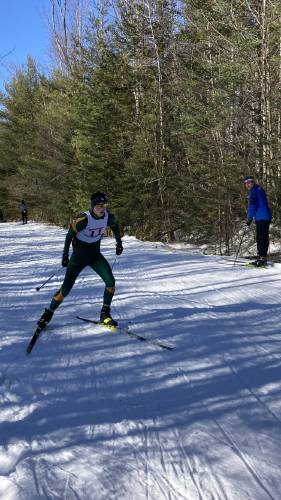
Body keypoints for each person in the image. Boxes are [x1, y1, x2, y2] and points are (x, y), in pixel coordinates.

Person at [37, 192, 123, 330]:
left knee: (111, 282)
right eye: (99, 206)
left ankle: (105, 314)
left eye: (104, 205)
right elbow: (69, 235)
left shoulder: (108, 217)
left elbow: (115, 227)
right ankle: (48, 313)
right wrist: (65, 255)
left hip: (95, 255)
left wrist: (119, 243)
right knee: (66, 289)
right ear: (93, 206)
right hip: (79, 257)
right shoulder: (83, 219)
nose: (102, 208)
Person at [243, 175, 272, 266]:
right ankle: (262, 257)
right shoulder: (258, 189)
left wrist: (249, 219)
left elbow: (252, 206)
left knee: (261, 238)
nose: (248, 184)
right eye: (246, 183)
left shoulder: (254, 192)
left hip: (262, 217)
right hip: (264, 216)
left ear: (253, 182)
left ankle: (262, 258)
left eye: (250, 182)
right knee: (263, 237)